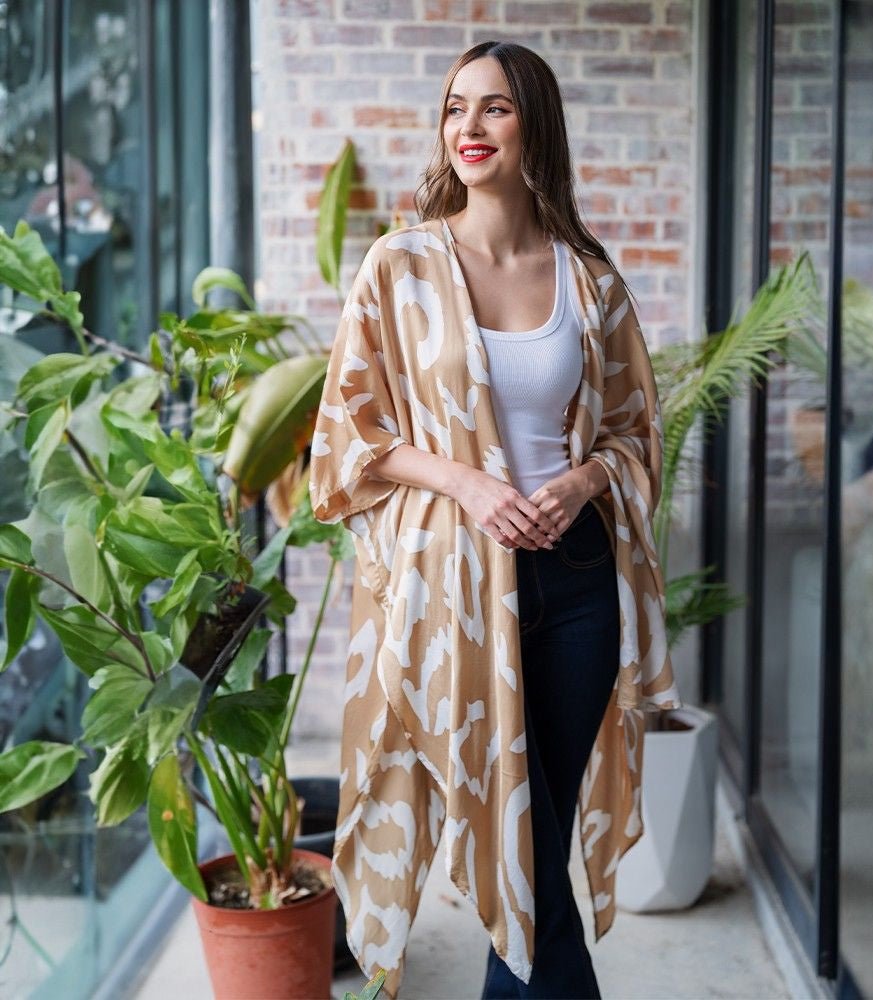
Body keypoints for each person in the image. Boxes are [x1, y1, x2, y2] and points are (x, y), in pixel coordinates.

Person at [309, 40, 682, 1000]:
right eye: (454, 108)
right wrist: (469, 484)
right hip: (456, 596)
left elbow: (638, 432)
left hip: (577, 584)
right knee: (516, 848)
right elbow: (348, 441)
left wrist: (584, 480)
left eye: (495, 109)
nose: (468, 128)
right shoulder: (401, 267)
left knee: (536, 846)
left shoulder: (589, 282)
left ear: (536, 126)